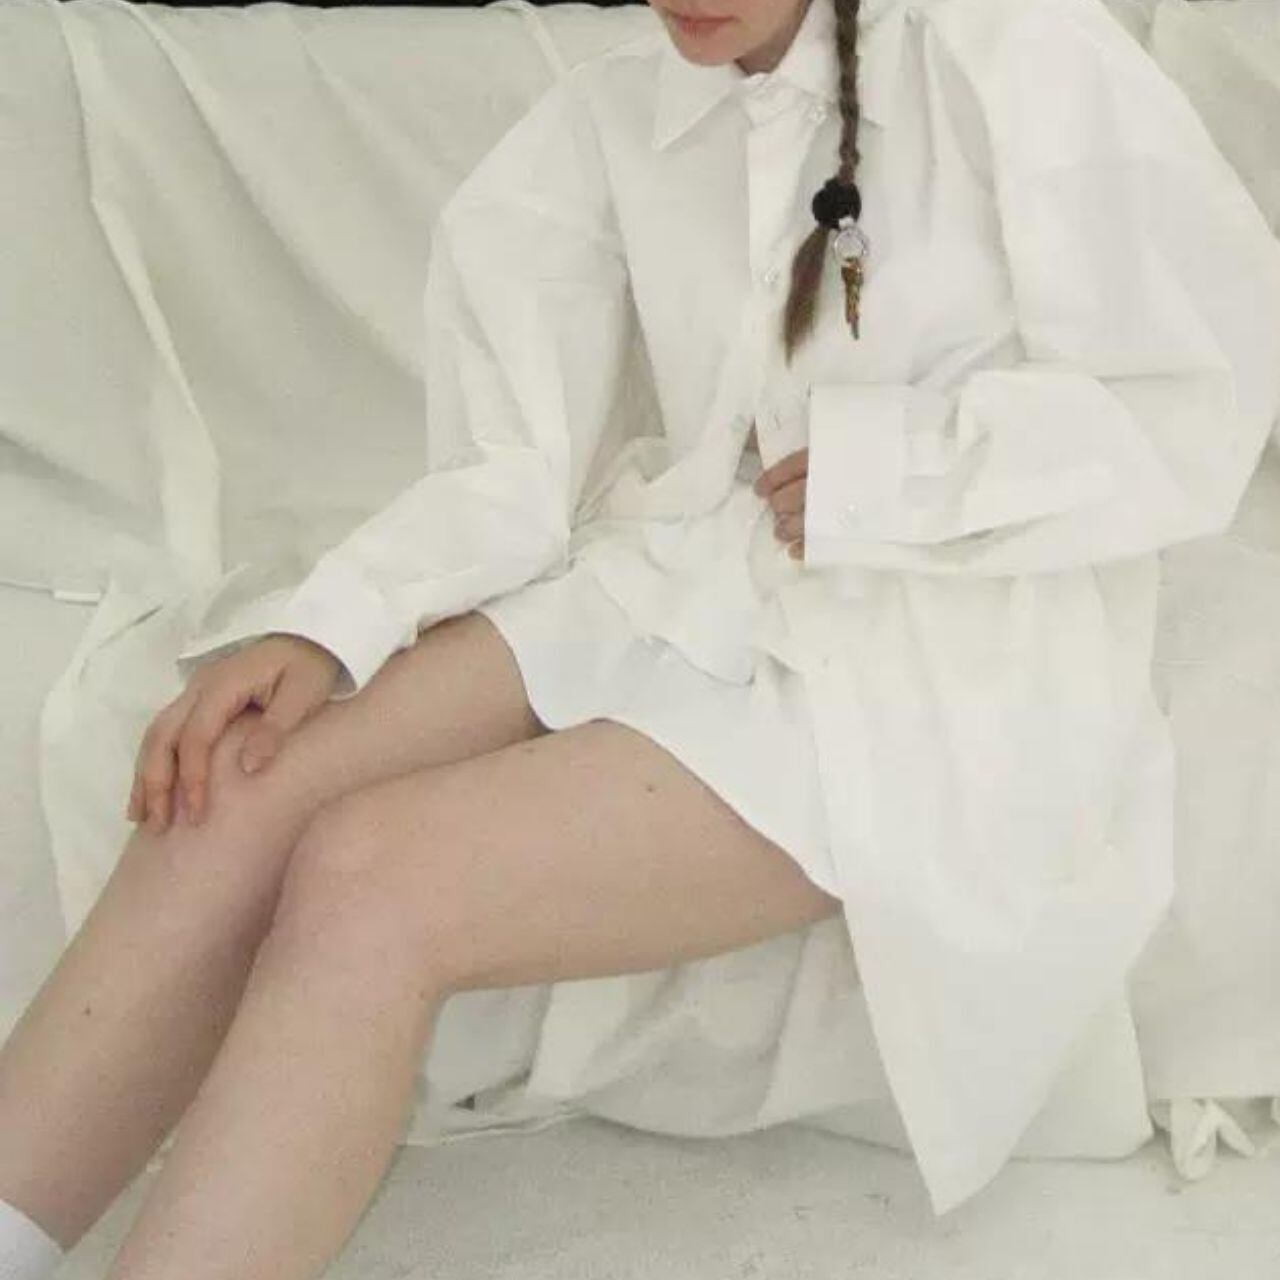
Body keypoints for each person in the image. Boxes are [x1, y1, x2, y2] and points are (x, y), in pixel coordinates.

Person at [3, 0, 1279, 1275]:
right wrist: (329, 631)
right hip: (690, 572)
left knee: (371, 878)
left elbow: (1198, 392)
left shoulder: (1016, 52)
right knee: (235, 783)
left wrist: (899, 470)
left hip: (938, 653)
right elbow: (513, 465)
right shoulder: (617, 112)